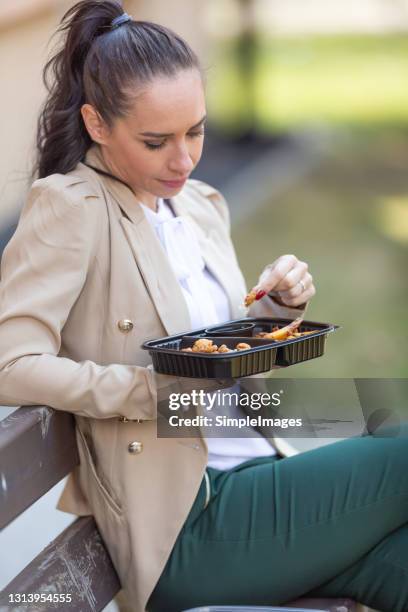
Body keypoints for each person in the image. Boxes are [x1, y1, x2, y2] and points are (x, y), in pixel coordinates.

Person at [0, 2, 407, 611]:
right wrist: (146, 389)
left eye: (196, 131)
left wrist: (271, 314)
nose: (183, 159)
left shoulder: (201, 206)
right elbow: (10, 364)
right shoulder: (72, 209)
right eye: (156, 141)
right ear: (96, 123)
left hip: (255, 475)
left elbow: (229, 368)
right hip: (189, 525)